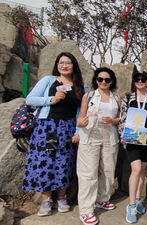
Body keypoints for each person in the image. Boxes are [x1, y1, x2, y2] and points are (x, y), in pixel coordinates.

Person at [22, 52, 86, 216]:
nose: (64, 65)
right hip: (48, 126)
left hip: (68, 127)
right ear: (57, 65)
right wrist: (51, 99)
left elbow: (81, 111)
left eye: (68, 63)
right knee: (46, 161)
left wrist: (78, 131)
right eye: (61, 62)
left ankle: (62, 198)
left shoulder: (80, 86)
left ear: (74, 66)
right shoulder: (48, 80)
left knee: (65, 161)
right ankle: (46, 200)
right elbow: (30, 99)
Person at [76, 67, 121, 225]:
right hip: (91, 134)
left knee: (108, 170)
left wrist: (112, 121)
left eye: (107, 80)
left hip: (110, 134)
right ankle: (86, 210)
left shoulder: (117, 98)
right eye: (100, 79)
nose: (103, 82)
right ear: (96, 80)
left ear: (111, 82)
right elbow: (80, 119)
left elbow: (118, 119)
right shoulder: (88, 96)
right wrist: (82, 123)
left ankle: (102, 199)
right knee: (88, 173)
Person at [118, 72, 147, 224]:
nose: (140, 82)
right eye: (137, 79)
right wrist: (122, 135)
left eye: (143, 79)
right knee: (136, 169)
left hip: (146, 138)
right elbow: (122, 118)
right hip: (131, 137)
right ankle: (131, 205)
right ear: (134, 82)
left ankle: (139, 199)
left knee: (143, 170)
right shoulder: (128, 98)